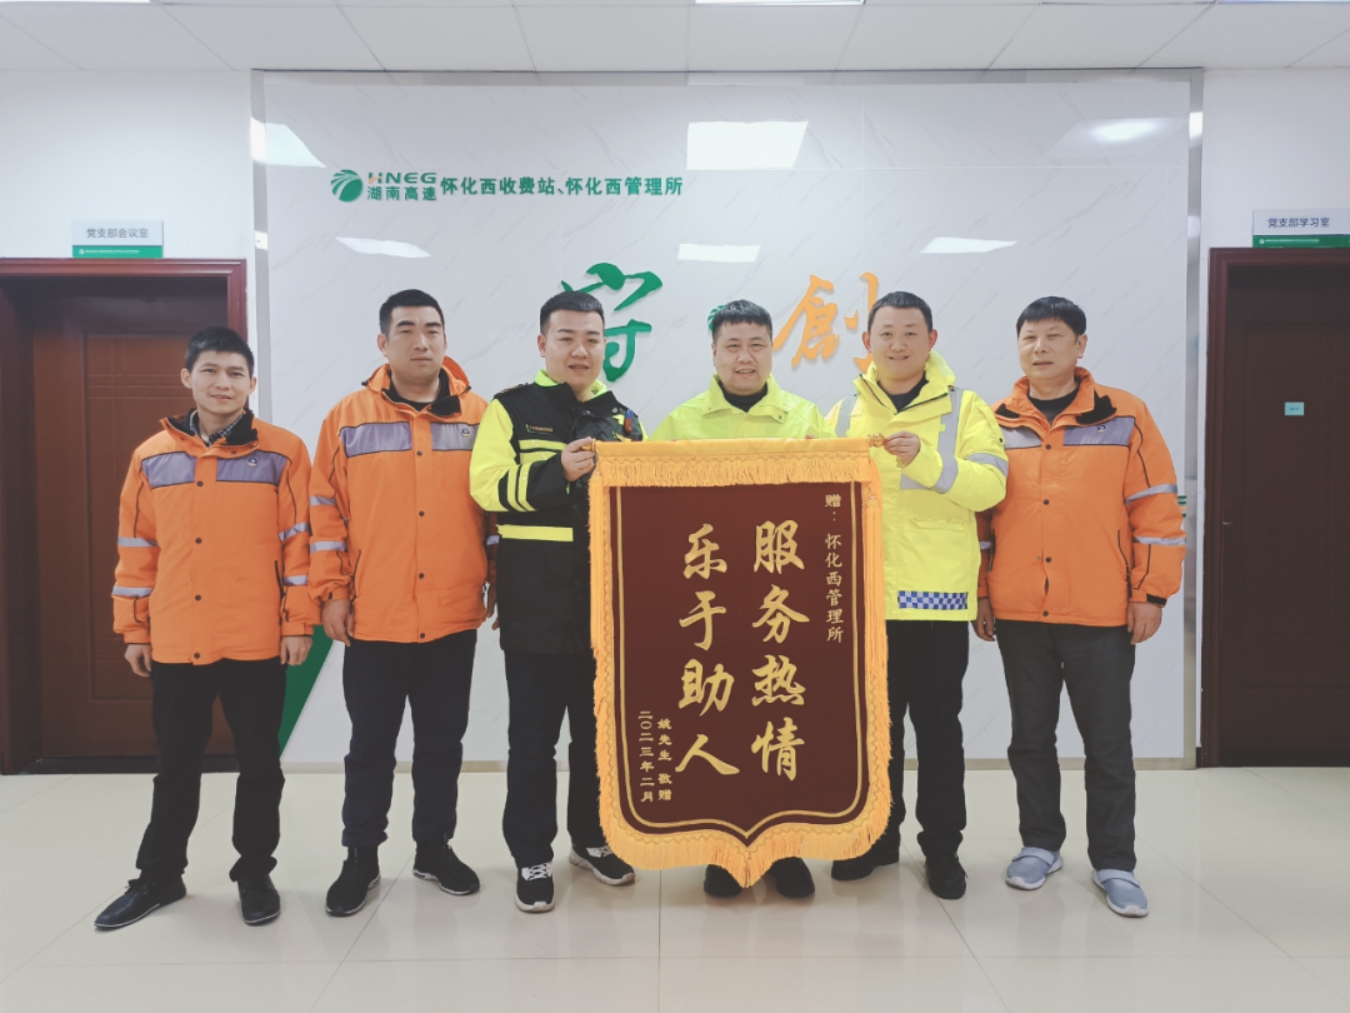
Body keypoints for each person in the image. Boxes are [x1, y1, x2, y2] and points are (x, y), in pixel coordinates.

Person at [95, 326, 316, 930]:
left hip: (256, 635)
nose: (223, 383)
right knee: (176, 765)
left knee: (260, 765)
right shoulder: (151, 456)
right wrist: (134, 629)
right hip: (177, 635)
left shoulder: (283, 452)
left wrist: (298, 623)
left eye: (236, 373)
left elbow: (300, 546)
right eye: (211, 371)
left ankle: (255, 873)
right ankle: (159, 876)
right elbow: (136, 548)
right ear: (186, 377)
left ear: (252, 383)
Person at [975, 296, 1183, 918]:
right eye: (1029, 337)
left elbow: (1156, 510)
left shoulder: (1125, 415)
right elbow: (978, 522)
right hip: (1018, 610)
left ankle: (1115, 861)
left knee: (1108, 744)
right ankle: (1039, 845)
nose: (1040, 348)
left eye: (1054, 336)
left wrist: (1150, 593)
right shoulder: (993, 420)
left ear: (1080, 345)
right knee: (1030, 739)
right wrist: (982, 592)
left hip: (1102, 611)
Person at [310, 289, 494, 917]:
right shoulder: (347, 418)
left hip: (451, 613)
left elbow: (495, 512)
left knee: (442, 744)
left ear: (446, 339)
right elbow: (325, 514)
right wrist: (331, 592)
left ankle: (433, 849)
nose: (422, 341)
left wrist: (497, 578)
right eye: (407, 329)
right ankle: (360, 857)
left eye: (433, 329)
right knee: (370, 747)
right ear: (383, 342)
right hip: (375, 615)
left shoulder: (479, 417)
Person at [827, 291, 1007, 900]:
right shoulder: (843, 412)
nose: (897, 344)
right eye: (886, 333)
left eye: (910, 332)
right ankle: (875, 838)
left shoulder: (966, 408)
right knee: (873, 733)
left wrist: (927, 461)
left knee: (937, 733)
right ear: (867, 342)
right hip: (863, 603)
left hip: (934, 604)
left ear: (932, 340)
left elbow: (990, 487)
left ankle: (942, 850)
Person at [470, 290, 642, 914]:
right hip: (535, 609)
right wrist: (556, 473)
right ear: (543, 343)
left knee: (597, 740)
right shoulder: (511, 409)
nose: (580, 350)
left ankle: (591, 840)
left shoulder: (624, 419)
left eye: (592, 338)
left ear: (605, 345)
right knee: (533, 743)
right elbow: (486, 486)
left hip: (603, 611)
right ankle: (532, 855)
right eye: (566, 337)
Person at [651, 298, 825, 900]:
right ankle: (723, 850)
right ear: (714, 353)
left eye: (756, 345)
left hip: (783, 603)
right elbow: (648, 509)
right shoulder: (681, 422)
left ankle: (785, 848)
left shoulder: (806, 418)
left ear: (772, 351)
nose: (745, 357)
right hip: (712, 606)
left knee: (784, 721)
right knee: (718, 724)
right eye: (733, 345)